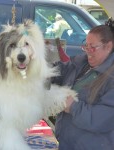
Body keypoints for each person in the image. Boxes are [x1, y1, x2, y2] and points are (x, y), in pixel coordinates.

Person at [51, 18, 114, 150]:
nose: (88, 51)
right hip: (67, 143)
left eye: (92, 47)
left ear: (108, 46)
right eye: (86, 46)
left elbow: (101, 119)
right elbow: (60, 70)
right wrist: (41, 71)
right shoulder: (81, 63)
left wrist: (72, 106)